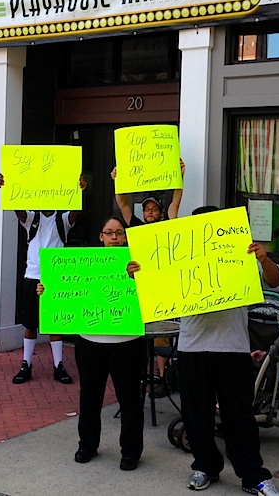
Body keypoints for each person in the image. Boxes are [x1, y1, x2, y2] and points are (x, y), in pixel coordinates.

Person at [127, 206, 279, 496]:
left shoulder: (242, 253)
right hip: (193, 346)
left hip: (233, 346)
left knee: (239, 416)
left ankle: (253, 476)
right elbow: (153, 288)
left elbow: (275, 280)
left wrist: (265, 259)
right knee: (196, 414)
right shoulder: (178, 257)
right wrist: (137, 273)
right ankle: (205, 466)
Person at [37, 216, 146, 470]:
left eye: (119, 233)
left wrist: (140, 276)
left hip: (128, 342)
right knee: (90, 397)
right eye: (109, 233)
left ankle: (130, 451)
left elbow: (155, 294)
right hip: (90, 342)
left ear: (125, 237)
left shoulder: (138, 263)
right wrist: (47, 290)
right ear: (101, 236)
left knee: (129, 399)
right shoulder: (84, 263)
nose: (114, 238)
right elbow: (63, 289)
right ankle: (87, 444)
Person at [0, 173, 86, 384]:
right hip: (33, 275)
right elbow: (18, 210)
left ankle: (58, 365)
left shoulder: (62, 219)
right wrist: (7, 188)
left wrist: (80, 191)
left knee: (55, 324)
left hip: (55, 277)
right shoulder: (32, 217)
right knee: (30, 324)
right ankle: (26, 364)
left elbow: (75, 213)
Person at [111, 160, 184, 396]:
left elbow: (175, 201)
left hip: (164, 285)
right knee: (141, 334)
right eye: (147, 209)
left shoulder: (167, 224)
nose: (150, 213)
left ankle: (164, 379)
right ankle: (140, 376)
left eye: (154, 209)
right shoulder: (136, 227)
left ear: (160, 212)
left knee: (161, 334)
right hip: (142, 286)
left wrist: (179, 175)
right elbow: (121, 202)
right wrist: (117, 180)